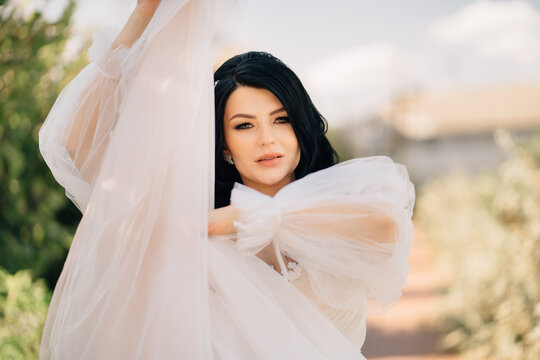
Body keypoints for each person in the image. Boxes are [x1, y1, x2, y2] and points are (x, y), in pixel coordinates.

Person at [38, 0, 415, 359]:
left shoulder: (342, 198)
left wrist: (239, 220)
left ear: (301, 127)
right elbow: (77, 141)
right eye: (244, 125)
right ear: (224, 147)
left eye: (281, 119)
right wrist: (141, 17)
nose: (267, 138)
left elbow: (386, 228)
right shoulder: (193, 224)